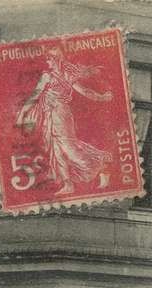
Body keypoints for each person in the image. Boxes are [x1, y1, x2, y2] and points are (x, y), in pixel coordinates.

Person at [15, 47, 113, 196]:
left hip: (61, 114)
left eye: (49, 59)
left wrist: (102, 97)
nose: (47, 62)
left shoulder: (66, 75)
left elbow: (85, 91)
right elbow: (35, 96)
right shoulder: (47, 76)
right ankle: (68, 184)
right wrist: (23, 113)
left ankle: (101, 162)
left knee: (69, 147)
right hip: (49, 115)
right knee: (56, 150)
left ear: (56, 60)